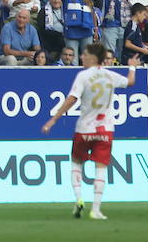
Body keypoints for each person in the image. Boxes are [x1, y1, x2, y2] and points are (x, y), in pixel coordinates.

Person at [41, 42, 139, 220]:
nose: (81, 57)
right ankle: (96, 209)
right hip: (106, 130)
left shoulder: (83, 76)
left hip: (84, 129)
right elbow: (130, 82)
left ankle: (79, 199)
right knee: (101, 168)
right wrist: (132, 67)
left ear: (93, 58)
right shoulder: (110, 75)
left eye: (85, 54)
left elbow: (72, 98)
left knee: (76, 163)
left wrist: (54, 119)